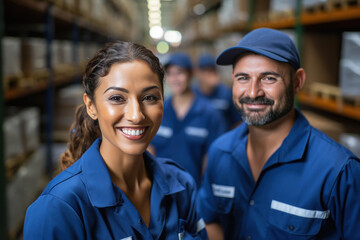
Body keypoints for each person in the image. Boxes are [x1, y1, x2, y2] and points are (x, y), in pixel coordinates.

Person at [23, 41, 208, 239]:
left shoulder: (181, 186)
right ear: (91, 106)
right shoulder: (59, 208)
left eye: (149, 98)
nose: (136, 115)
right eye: (117, 98)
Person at [197, 28, 360, 240]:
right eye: (243, 78)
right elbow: (210, 219)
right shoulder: (220, 152)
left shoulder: (339, 172)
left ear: (297, 82)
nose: (253, 92)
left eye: (269, 78)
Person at [149, 52, 226, 188]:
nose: (174, 79)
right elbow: (150, 149)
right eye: (170, 74)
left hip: (194, 192)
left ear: (191, 74)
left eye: (179, 73)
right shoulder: (158, 110)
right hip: (162, 190)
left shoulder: (209, 113)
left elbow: (213, 158)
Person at [194, 53, 242, 130]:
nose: (209, 75)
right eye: (205, 71)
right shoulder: (193, 93)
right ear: (198, 73)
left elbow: (237, 121)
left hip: (223, 137)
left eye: (211, 71)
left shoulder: (226, 93)